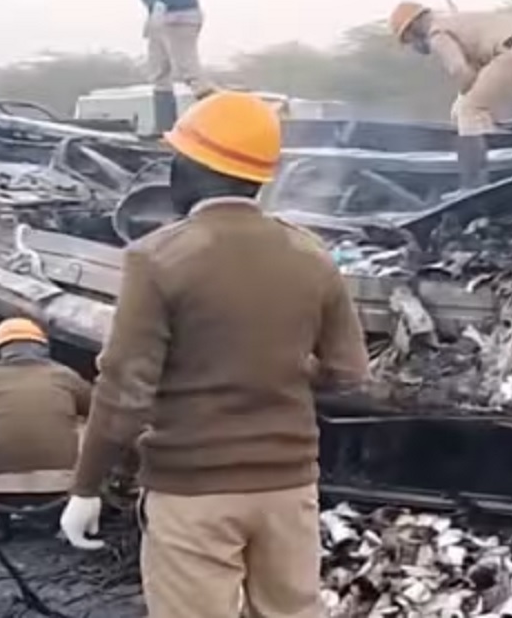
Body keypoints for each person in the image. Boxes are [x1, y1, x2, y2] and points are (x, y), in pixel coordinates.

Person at [60, 91, 370, 618]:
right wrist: (279, 371)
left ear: (192, 168)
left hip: (192, 491)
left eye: (176, 158)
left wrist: (87, 486)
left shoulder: (156, 257)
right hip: (288, 488)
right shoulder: (311, 254)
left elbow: (125, 388)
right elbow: (348, 372)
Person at [389, 1, 512, 190]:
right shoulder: (459, 21)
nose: (411, 44)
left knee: (468, 110)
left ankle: (472, 185)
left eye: (407, 39)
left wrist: (469, 96)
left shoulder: (437, 33)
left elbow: (459, 69)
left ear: (413, 26)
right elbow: (485, 61)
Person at [0, 318, 90, 509]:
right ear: (42, 347)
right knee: (84, 424)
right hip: (59, 485)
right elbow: (95, 410)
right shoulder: (64, 375)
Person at [141, 0, 215, 134]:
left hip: (181, 16)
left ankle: (221, 119)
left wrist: (161, 3)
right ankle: (164, 128)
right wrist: (153, 12)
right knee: (159, 73)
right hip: (159, 17)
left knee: (189, 72)